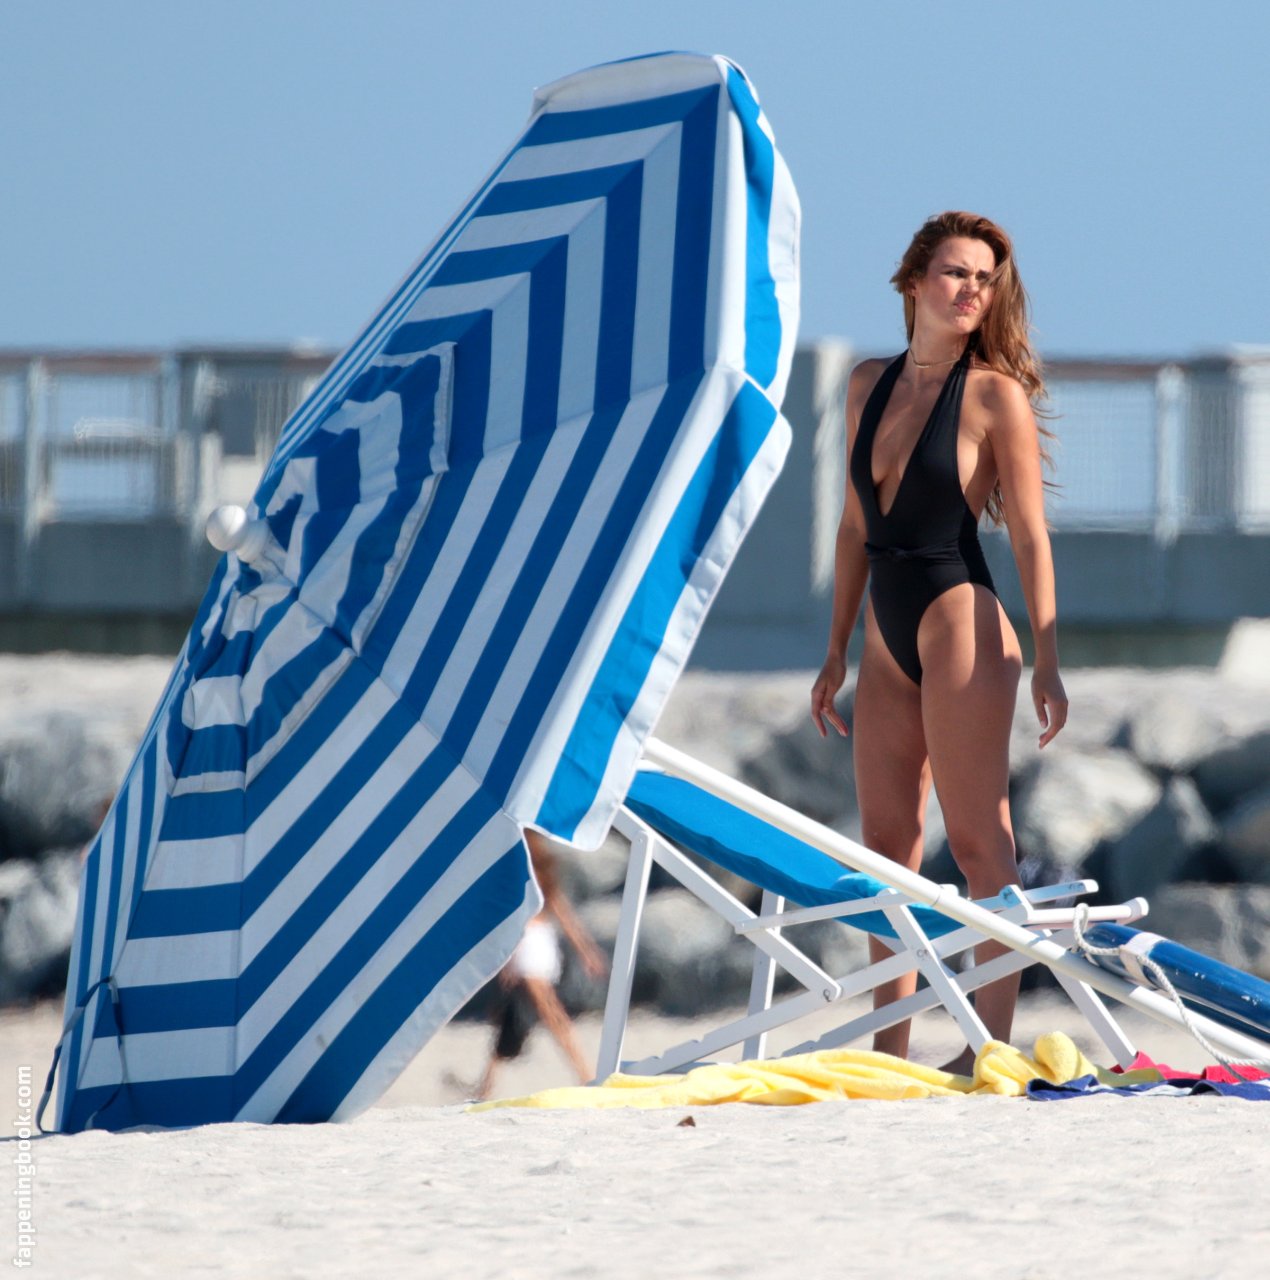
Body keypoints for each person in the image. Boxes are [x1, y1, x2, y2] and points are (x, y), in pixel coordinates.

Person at [810, 211, 1067, 1073]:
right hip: (883, 632)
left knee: (980, 841)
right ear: (914, 279)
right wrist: (836, 648)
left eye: (985, 280)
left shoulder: (993, 395)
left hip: (961, 619)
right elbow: (855, 527)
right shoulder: (866, 384)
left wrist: (1050, 660)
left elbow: (1029, 535)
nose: (971, 291)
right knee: (886, 848)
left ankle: (987, 1047)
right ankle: (891, 1048)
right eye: (957, 273)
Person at [474, 830, 608, 1100]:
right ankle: (583, 1073)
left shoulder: (516, 874)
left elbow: (510, 919)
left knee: (536, 1013)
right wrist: (588, 951)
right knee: (525, 1015)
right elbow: (566, 918)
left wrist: (504, 958)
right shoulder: (541, 875)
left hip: (529, 942)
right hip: (539, 942)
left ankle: (584, 1073)